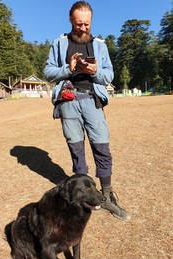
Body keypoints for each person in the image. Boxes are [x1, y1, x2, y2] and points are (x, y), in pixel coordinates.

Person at [44, 1, 130, 221]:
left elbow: (109, 75)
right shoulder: (59, 43)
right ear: (70, 20)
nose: (82, 28)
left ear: (91, 21)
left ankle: (108, 195)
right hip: (68, 102)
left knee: (102, 146)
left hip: (93, 101)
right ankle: (83, 197)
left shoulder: (100, 45)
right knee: (76, 150)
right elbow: (48, 72)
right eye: (78, 23)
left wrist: (95, 71)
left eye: (87, 24)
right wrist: (68, 68)